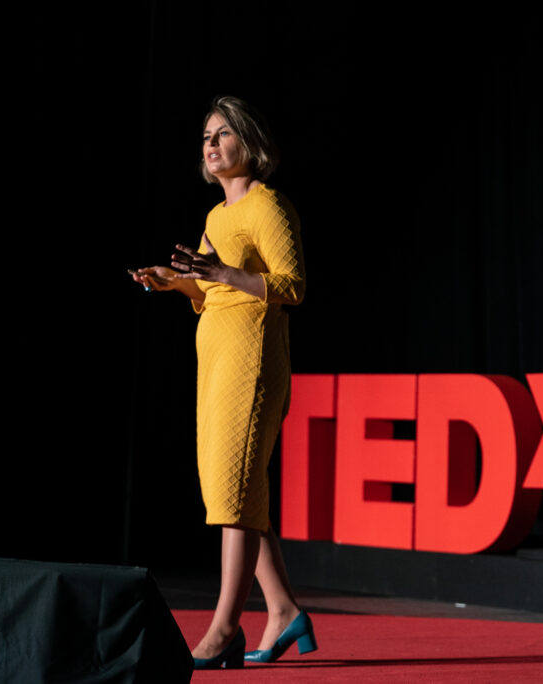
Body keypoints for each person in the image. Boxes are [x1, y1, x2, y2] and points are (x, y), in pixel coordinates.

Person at [132, 95, 316, 669]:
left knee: (234, 490)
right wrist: (174, 283)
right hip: (215, 356)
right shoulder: (216, 217)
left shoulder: (270, 206)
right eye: (205, 137)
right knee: (229, 488)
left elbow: (292, 287)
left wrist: (222, 272)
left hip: (253, 358)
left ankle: (223, 629)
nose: (210, 145)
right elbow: (209, 288)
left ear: (249, 141)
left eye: (222, 134)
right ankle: (284, 610)